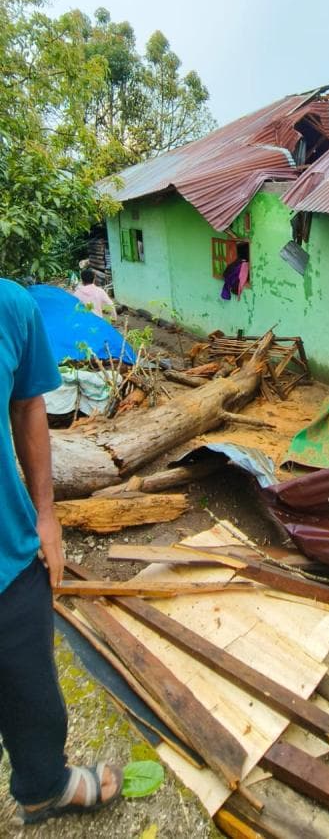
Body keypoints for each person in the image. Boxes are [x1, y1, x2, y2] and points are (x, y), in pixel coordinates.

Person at [0, 277, 122, 824]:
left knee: (33, 690)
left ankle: (44, 785)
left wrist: (47, 512)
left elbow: (28, 406)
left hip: (8, 551)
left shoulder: (11, 305)